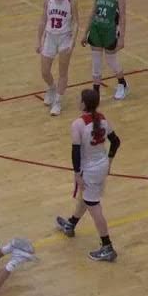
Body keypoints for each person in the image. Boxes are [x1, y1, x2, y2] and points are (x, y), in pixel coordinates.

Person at [55, 88, 122, 262]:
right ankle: (71, 224)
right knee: (86, 197)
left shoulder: (78, 124)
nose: (78, 101)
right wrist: (110, 161)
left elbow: (75, 152)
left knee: (94, 206)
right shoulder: (103, 119)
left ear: (84, 103)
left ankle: (107, 246)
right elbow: (116, 141)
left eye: (79, 99)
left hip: (89, 170)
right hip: (101, 165)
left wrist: (77, 173)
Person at [82, 0, 128, 100]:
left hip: (110, 31)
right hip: (96, 29)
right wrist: (86, 32)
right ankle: (96, 93)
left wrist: (122, 38)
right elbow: (92, 13)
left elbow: (123, 17)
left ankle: (122, 84)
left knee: (111, 61)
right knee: (96, 63)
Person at [36, 0, 78, 116]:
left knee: (63, 72)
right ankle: (52, 88)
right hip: (50, 37)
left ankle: (58, 102)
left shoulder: (72, 1)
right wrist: (38, 40)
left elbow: (76, 22)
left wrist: (73, 42)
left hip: (64, 38)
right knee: (44, 71)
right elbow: (43, 19)